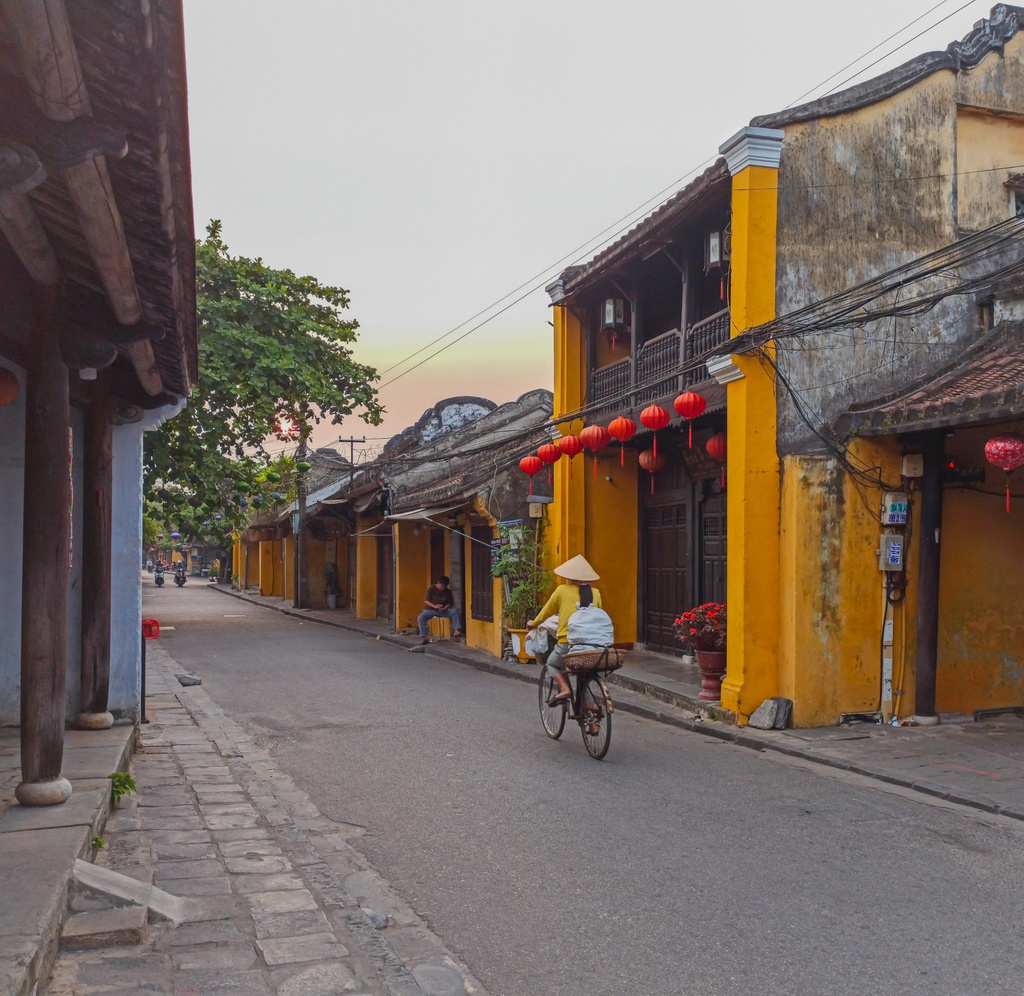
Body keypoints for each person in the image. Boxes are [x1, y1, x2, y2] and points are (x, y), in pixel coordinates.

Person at [527, 554, 602, 703]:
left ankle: (565, 689)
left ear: (570, 577)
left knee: (552, 663)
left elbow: (546, 611)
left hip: (568, 643)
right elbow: (598, 615)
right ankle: (593, 723)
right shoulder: (596, 593)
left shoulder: (562, 590)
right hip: (593, 645)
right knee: (584, 674)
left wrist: (534, 623)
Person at [415, 575, 462, 646]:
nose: (442, 588)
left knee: (454, 611)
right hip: (430, 609)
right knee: (420, 618)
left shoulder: (447, 592)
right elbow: (425, 601)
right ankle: (424, 637)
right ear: (438, 583)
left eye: (444, 587)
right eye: (441, 586)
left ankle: (457, 630)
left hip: (442, 610)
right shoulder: (431, 588)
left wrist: (445, 608)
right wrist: (434, 606)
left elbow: (449, 603)